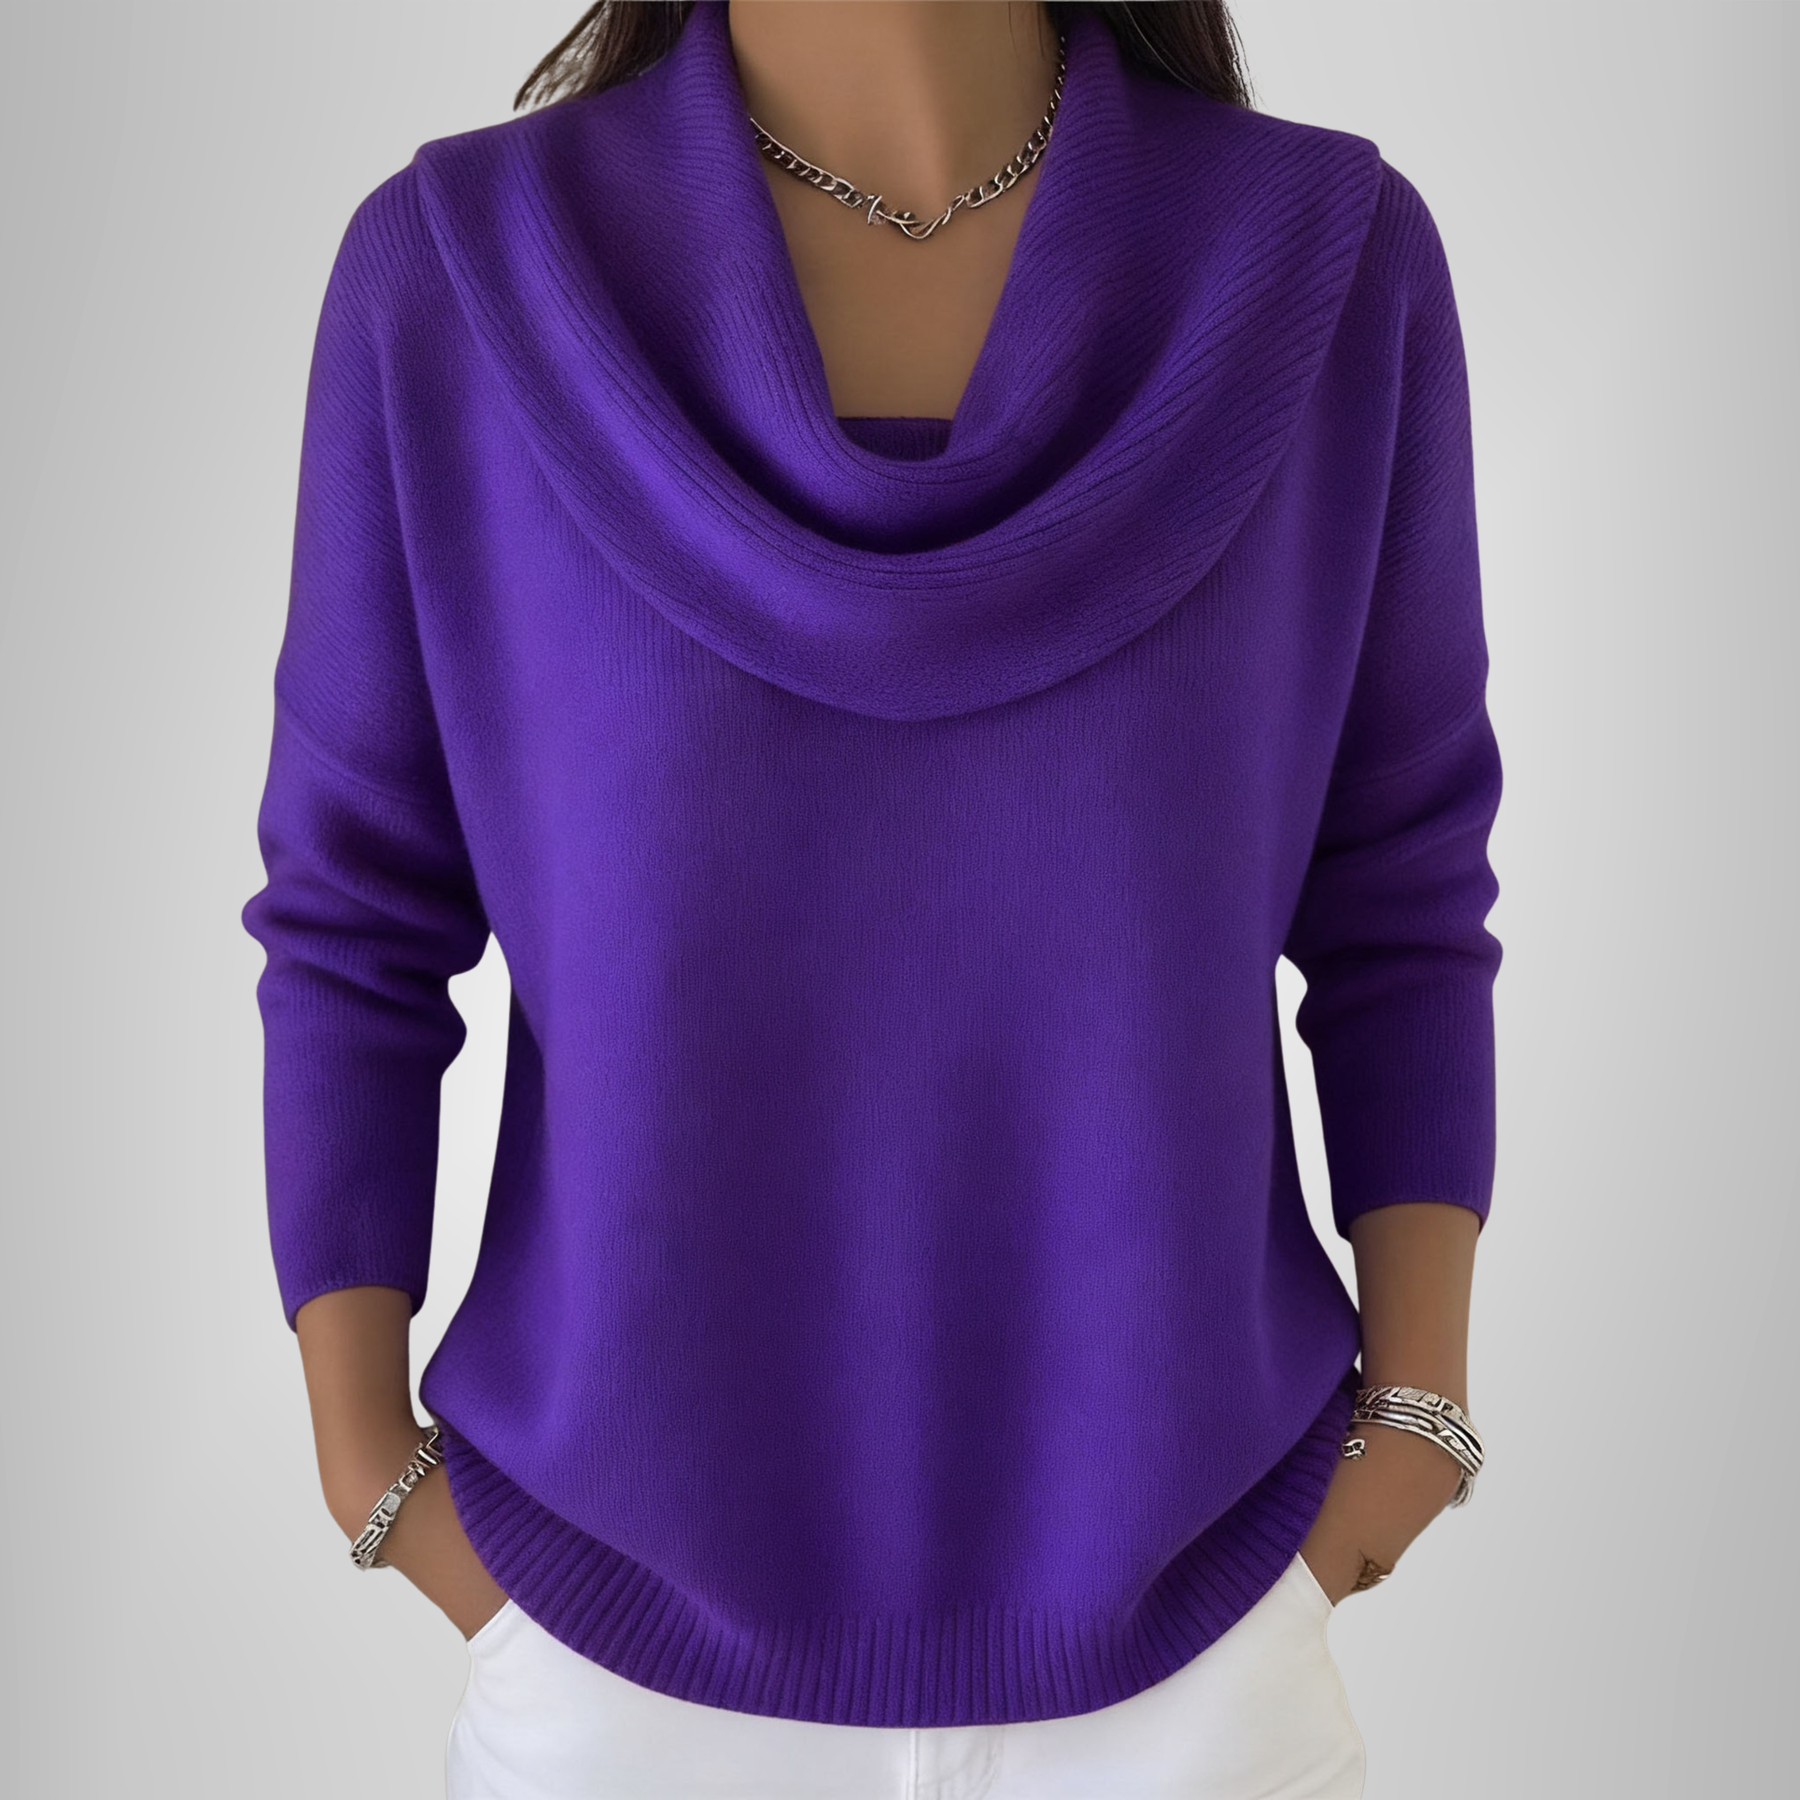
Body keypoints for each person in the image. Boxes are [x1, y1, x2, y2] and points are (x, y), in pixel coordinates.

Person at [242, 1, 1501, 1794]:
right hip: (619, 1679)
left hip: (1201, 1661)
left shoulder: (1324, 267)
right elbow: (355, 920)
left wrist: (1413, 1430)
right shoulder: (457, 281)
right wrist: (371, 1470)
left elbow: (1400, 889)